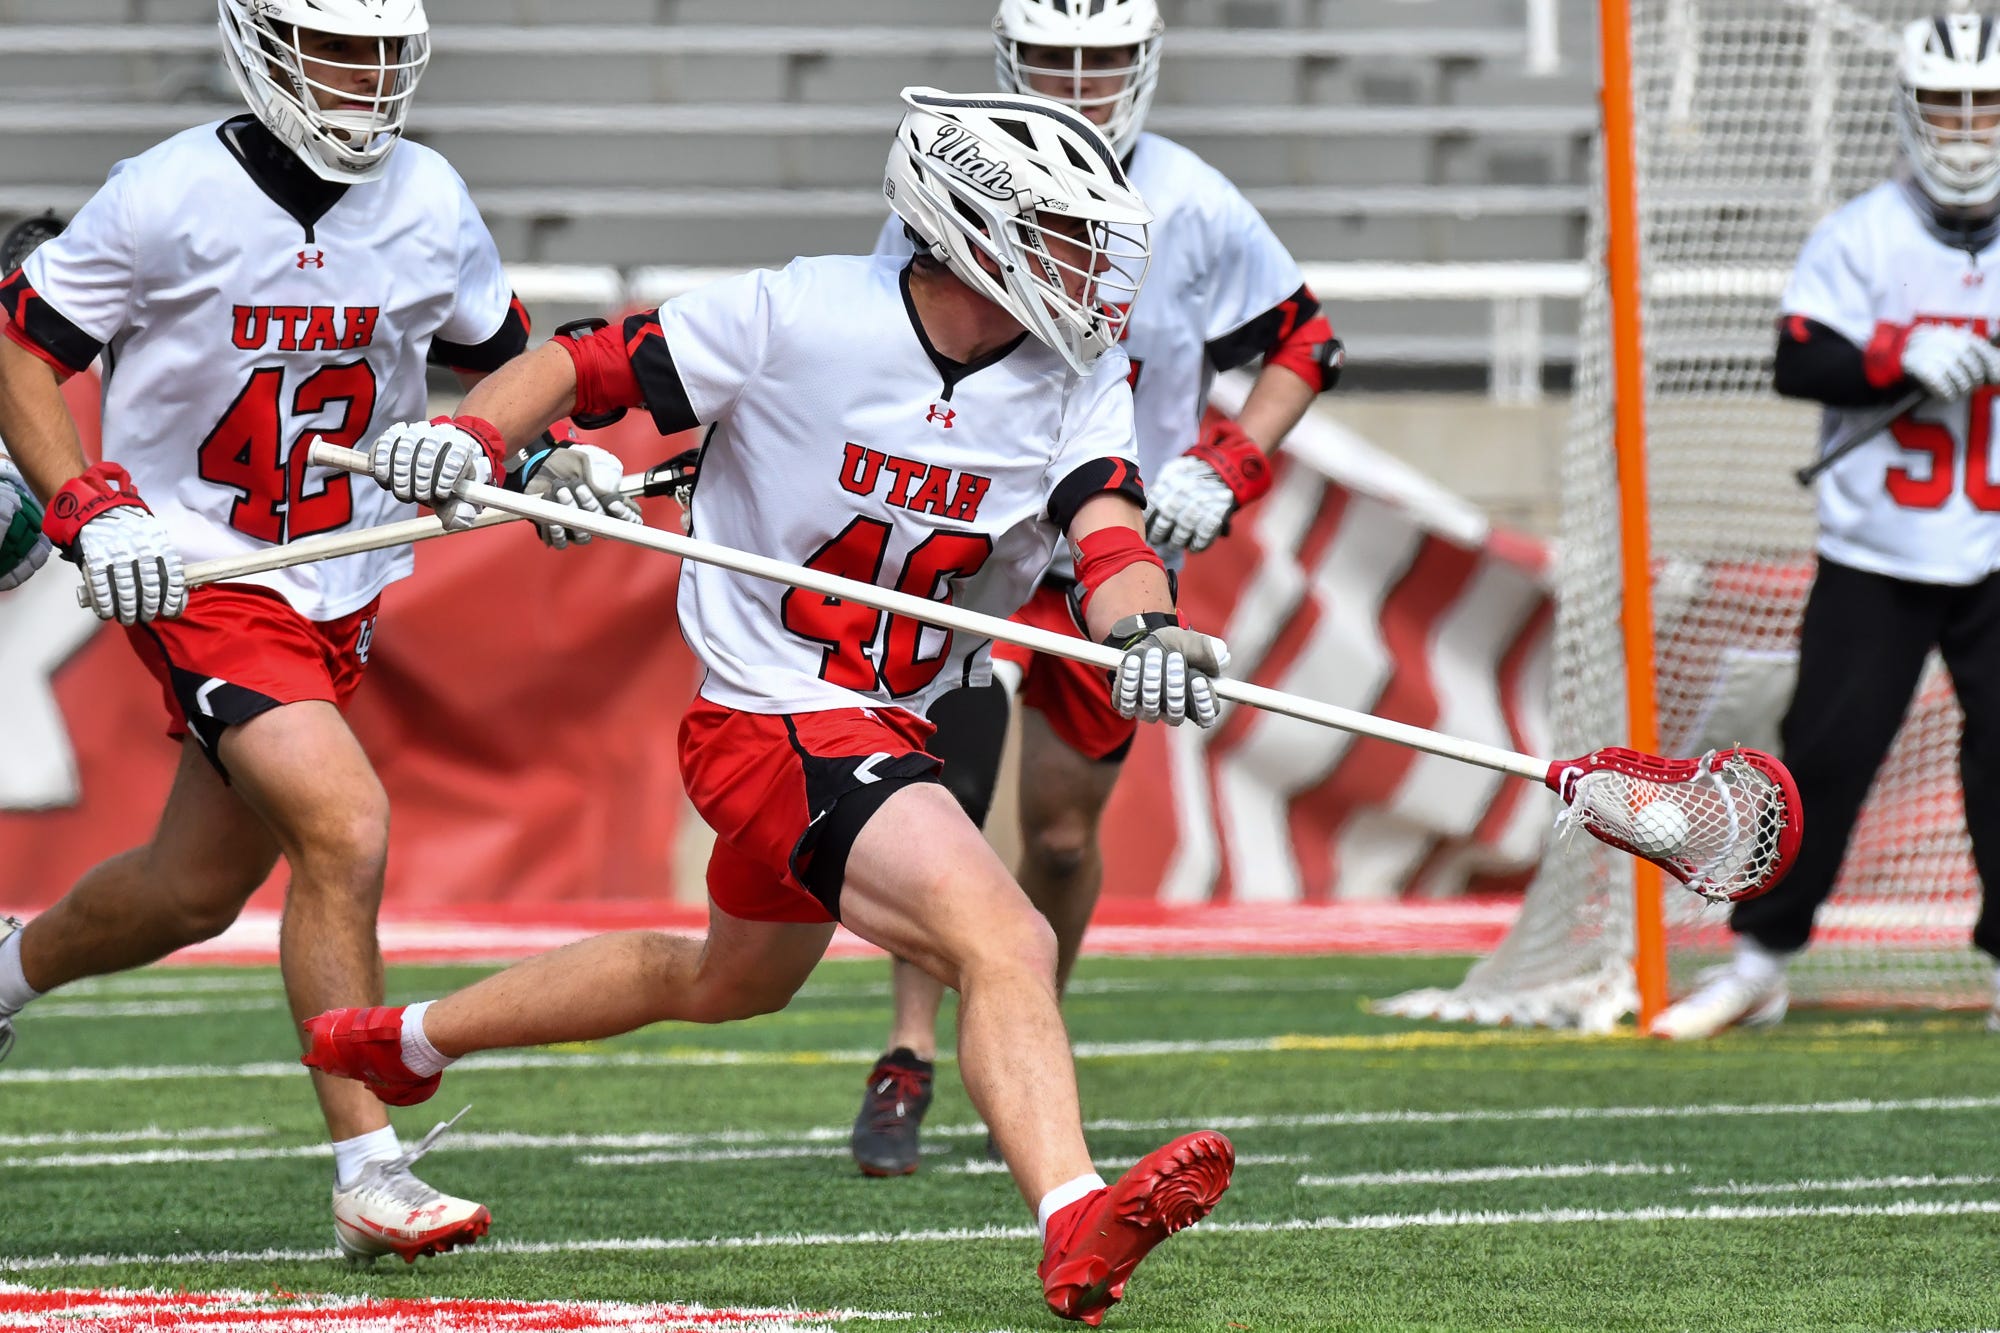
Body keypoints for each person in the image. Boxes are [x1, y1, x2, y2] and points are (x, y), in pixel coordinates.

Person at [299, 87, 1236, 1326]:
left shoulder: (1076, 375)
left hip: (903, 713)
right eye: (1062, 237)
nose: (1089, 272)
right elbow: (579, 363)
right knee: (1003, 939)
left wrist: (1144, 632)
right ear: (971, 226)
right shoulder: (802, 311)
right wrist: (473, 437)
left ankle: (409, 1040)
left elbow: (1105, 531)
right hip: (772, 714)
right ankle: (1071, 1214)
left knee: (724, 978)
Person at [0, 0, 631, 1260]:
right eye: (337, 48)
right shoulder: (166, 191)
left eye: (384, 53)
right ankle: (369, 1170)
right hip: (201, 568)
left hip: (339, 576)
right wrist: (88, 508)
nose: (364, 79)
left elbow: (500, 360)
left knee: (191, 890)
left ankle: (6, 971)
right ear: (262, 43)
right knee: (346, 828)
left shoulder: (427, 194)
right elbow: (20, 349)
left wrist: (539, 458)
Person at [850, 0, 1343, 1175]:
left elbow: (1304, 343)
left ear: (1145, 62)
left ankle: (1023, 1030)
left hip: (1110, 555)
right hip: (973, 543)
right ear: (1008, 61)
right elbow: (874, 345)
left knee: (1063, 837)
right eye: (1052, 60)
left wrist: (1224, 462)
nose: (1078, 85)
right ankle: (908, 1052)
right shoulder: (952, 180)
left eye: (1102, 60)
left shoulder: (1191, 202)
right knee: (941, 796)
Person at [1653, 13, 2000, 1039]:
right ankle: (1760, 960)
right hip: (1875, 550)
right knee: (1824, 754)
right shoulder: (1859, 233)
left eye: (1984, 106)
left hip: (1993, 550)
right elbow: (1798, 358)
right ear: (1906, 109)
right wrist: (1895, 364)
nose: (1965, 128)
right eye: (1944, 105)